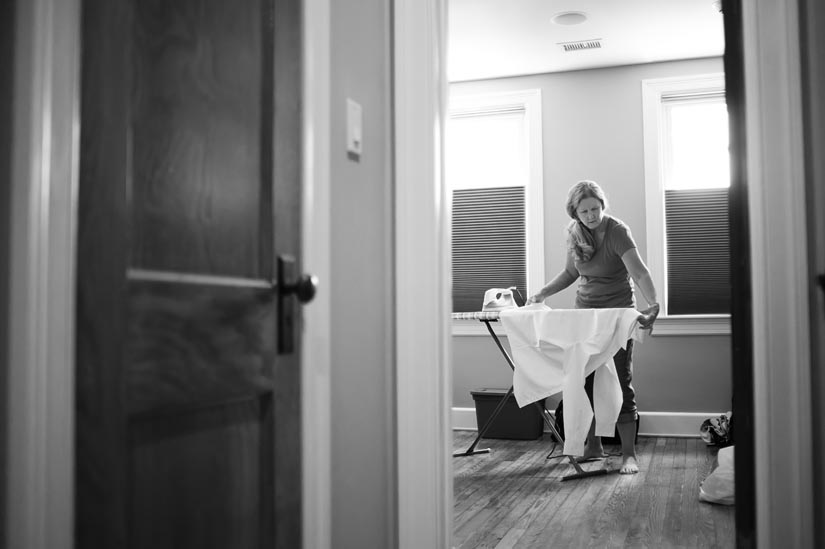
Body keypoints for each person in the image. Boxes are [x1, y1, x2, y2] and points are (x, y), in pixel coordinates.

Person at [527, 180, 660, 474]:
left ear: (603, 205)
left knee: (621, 382)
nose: (591, 215)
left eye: (596, 208)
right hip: (585, 316)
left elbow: (639, 272)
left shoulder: (617, 231)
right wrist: (542, 292)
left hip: (616, 315)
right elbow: (570, 273)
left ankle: (628, 455)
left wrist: (653, 303)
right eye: (584, 211)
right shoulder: (575, 233)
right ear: (575, 213)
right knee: (583, 382)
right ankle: (593, 447)